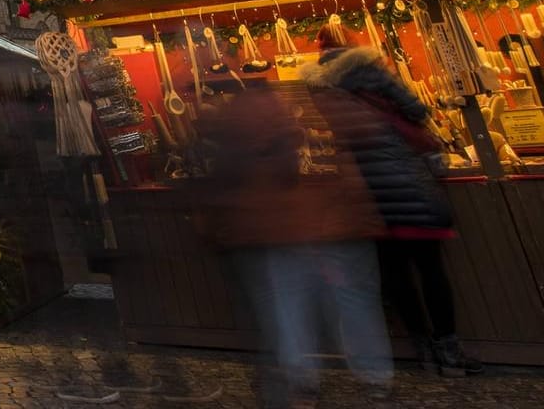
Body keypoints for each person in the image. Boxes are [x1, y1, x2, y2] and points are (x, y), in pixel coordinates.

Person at [194, 79, 389, 407]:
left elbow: (234, 176)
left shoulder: (245, 122)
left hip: (281, 229)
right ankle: (371, 376)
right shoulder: (307, 114)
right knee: (346, 302)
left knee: (291, 306)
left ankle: (304, 380)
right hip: (316, 225)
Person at [306, 28, 481, 378]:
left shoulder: (317, 87)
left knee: (394, 274)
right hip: (406, 179)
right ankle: (449, 349)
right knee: (431, 271)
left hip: (368, 193)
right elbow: (415, 109)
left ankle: (423, 351)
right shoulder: (370, 69)